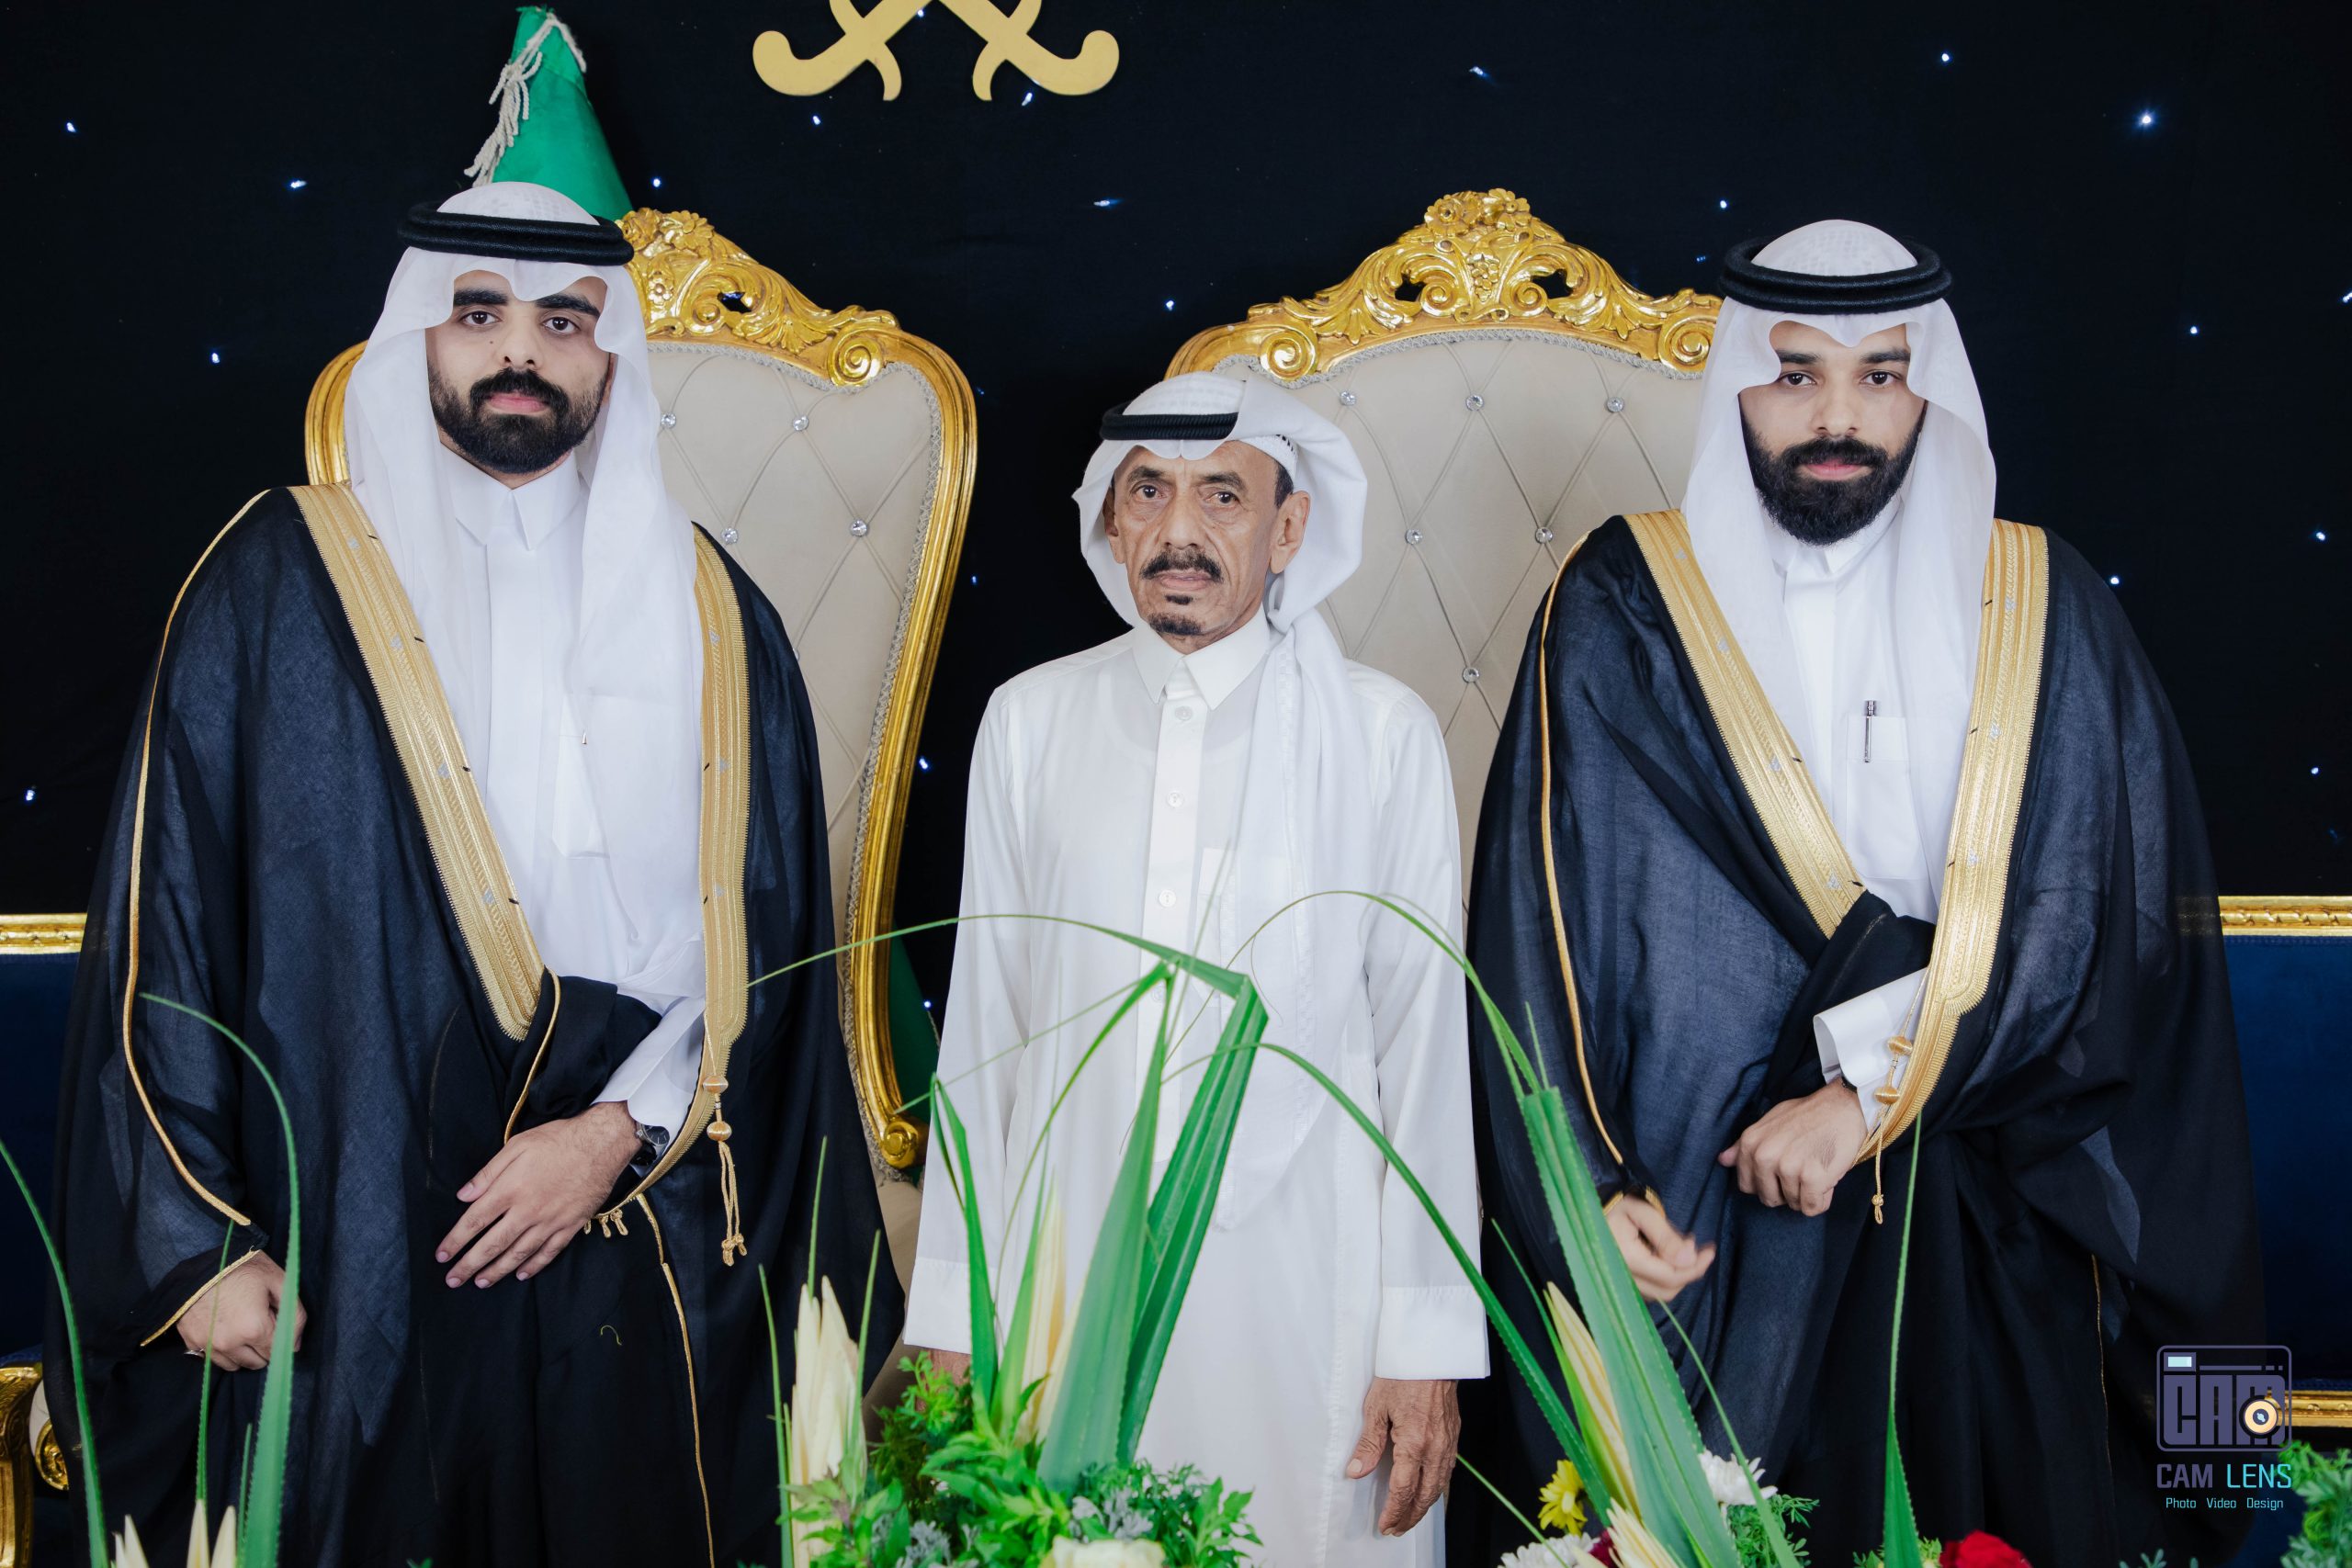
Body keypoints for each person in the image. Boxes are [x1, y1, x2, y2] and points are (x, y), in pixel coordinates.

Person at [47, 183, 897, 1568]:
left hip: (635, 1203)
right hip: (353, 1198)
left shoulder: (714, 613)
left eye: (563, 321)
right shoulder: (275, 580)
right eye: (480, 312)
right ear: (418, 338)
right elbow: (167, 922)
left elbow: (768, 937)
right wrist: (196, 1244)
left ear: (610, 354)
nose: (520, 350)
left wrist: (617, 1131)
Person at [1455, 221, 2262, 1566]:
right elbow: (1537, 927)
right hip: (1709, 1192)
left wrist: (1866, 1096)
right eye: (1797, 375)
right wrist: (1584, 1190)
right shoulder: (1627, 602)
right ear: (1737, 387)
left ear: (1926, 389)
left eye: (1881, 376)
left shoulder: (2043, 602)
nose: (1839, 418)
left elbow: (2091, 928)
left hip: (1993, 1166)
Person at [904, 373, 1487, 1565]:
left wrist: (1424, 1344)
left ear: (1290, 527)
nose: (1180, 531)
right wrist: (954, 1315)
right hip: (1063, 1295)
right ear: (1110, 523)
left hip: (1316, 1300)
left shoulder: (1382, 736)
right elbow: (985, 1040)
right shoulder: (1029, 721)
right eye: (1149, 492)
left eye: (1223, 495)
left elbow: (1426, 1053)